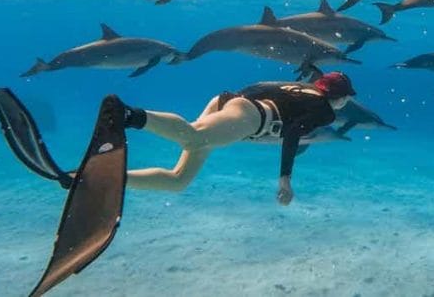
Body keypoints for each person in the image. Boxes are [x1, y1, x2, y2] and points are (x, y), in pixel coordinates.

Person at [121, 71, 356, 205]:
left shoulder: (297, 87)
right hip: (251, 117)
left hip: (231, 102)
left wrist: (235, 103)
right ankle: (128, 115)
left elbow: (260, 86)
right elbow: (294, 133)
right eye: (346, 97)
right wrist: (285, 179)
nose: (346, 101)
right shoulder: (325, 111)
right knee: (193, 137)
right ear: (338, 96)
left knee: (179, 180)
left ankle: (116, 179)